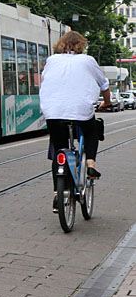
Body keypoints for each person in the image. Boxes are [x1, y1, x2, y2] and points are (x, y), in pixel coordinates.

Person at [39, 31, 111, 209]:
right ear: (81, 45)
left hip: (53, 111)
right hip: (81, 110)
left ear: (61, 44)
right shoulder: (88, 61)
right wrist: (107, 103)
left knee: (59, 148)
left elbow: (45, 81)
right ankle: (91, 163)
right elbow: (104, 85)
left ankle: (58, 194)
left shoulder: (51, 60)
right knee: (91, 130)